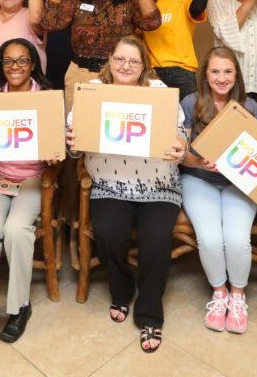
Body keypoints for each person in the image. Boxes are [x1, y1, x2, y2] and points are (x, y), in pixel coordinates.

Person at [66, 35, 187, 353]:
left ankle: (150, 313)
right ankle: (121, 291)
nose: (126, 66)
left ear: (144, 65)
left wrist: (181, 145)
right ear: (110, 59)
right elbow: (74, 144)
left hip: (158, 186)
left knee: (156, 240)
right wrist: (74, 145)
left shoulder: (158, 92)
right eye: (120, 59)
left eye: (134, 61)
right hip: (109, 184)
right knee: (107, 234)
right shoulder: (92, 90)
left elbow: (180, 132)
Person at [0, 39, 61, 344]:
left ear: (33, 64)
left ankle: (20, 305)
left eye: (22, 61)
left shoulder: (47, 99)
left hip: (33, 177)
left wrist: (53, 156)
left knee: (17, 230)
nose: (15, 67)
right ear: (1, 66)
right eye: (8, 62)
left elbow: (58, 147)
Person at [179, 47, 257, 334]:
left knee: (237, 239)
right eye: (215, 71)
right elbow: (181, 154)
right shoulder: (190, 103)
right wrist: (200, 162)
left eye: (228, 71)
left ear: (236, 74)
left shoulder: (249, 107)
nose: (221, 77)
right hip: (199, 179)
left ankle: (238, 296)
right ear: (205, 74)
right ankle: (219, 293)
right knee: (211, 238)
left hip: (240, 184)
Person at [41, 0, 161, 110]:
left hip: (118, 76)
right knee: (78, 129)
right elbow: (49, 22)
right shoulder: (75, 1)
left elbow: (153, 22)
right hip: (80, 74)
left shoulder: (129, 3)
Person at [142, 0, 212, 97]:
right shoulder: (147, 1)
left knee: (184, 122)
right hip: (151, 74)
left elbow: (199, 5)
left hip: (182, 73)